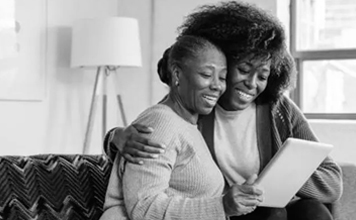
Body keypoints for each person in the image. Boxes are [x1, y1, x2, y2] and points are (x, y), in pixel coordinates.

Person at [104, 1, 343, 220]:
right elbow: (159, 131)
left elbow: (333, 182)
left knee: (311, 212)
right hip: (228, 211)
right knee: (274, 214)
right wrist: (115, 137)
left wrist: (281, 176)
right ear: (226, 62)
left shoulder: (278, 110)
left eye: (262, 76)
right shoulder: (198, 106)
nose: (252, 83)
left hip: (278, 207)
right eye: (244, 69)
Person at [101, 35, 267, 220]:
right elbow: (145, 208)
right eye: (206, 75)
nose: (217, 86)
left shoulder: (188, 124)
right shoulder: (161, 123)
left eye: (222, 77)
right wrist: (222, 206)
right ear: (177, 74)